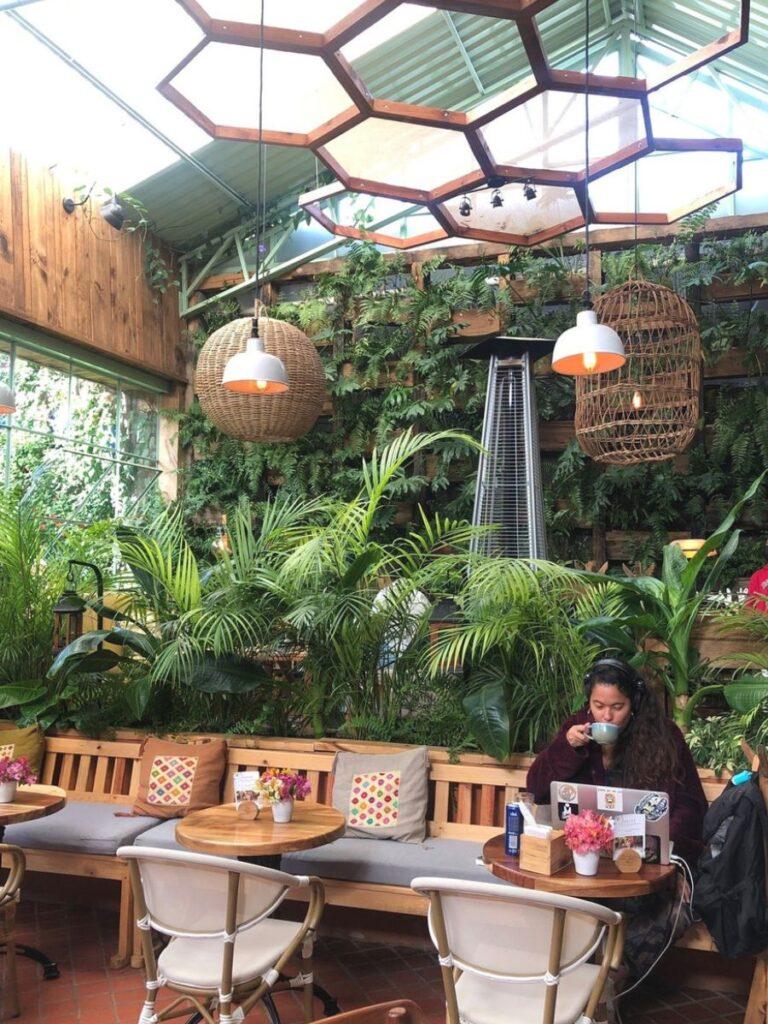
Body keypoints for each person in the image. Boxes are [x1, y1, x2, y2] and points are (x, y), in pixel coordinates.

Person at [526, 658, 708, 986]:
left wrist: (669, 853)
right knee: (562, 906)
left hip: (641, 868)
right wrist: (566, 747)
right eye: (598, 705)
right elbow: (538, 788)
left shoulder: (663, 736)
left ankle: (610, 983)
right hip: (583, 865)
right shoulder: (577, 730)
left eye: (617, 707)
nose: (606, 716)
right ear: (589, 702)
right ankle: (581, 986)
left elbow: (691, 806)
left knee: (673, 910)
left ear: (634, 703)